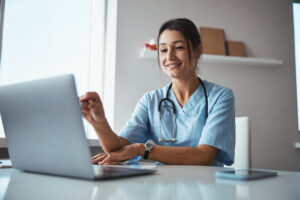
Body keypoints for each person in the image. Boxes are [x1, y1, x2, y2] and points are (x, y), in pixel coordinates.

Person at [80, 18, 235, 166]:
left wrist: (144, 149)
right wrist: (99, 122)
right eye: (163, 50)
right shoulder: (151, 100)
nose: (169, 56)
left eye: (179, 47)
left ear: (197, 51)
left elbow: (204, 156)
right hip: (163, 186)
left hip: (206, 188)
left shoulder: (220, 96)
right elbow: (119, 151)